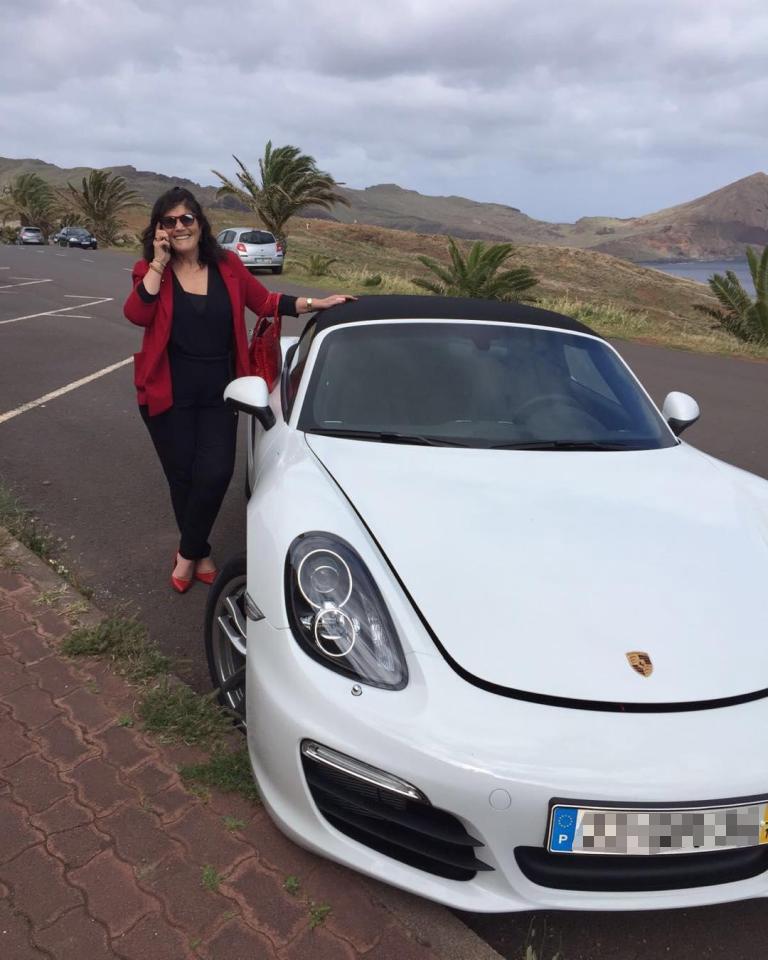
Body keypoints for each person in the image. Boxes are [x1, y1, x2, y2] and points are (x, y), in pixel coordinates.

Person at [124, 186, 352, 593]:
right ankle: (199, 551)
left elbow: (265, 301)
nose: (179, 227)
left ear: (200, 222)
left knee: (214, 473)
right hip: (167, 390)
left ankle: (187, 551)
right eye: (169, 221)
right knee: (183, 478)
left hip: (220, 390)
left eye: (186, 219)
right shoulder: (150, 270)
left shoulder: (226, 265)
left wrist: (316, 304)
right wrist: (158, 261)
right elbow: (137, 313)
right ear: (159, 230)